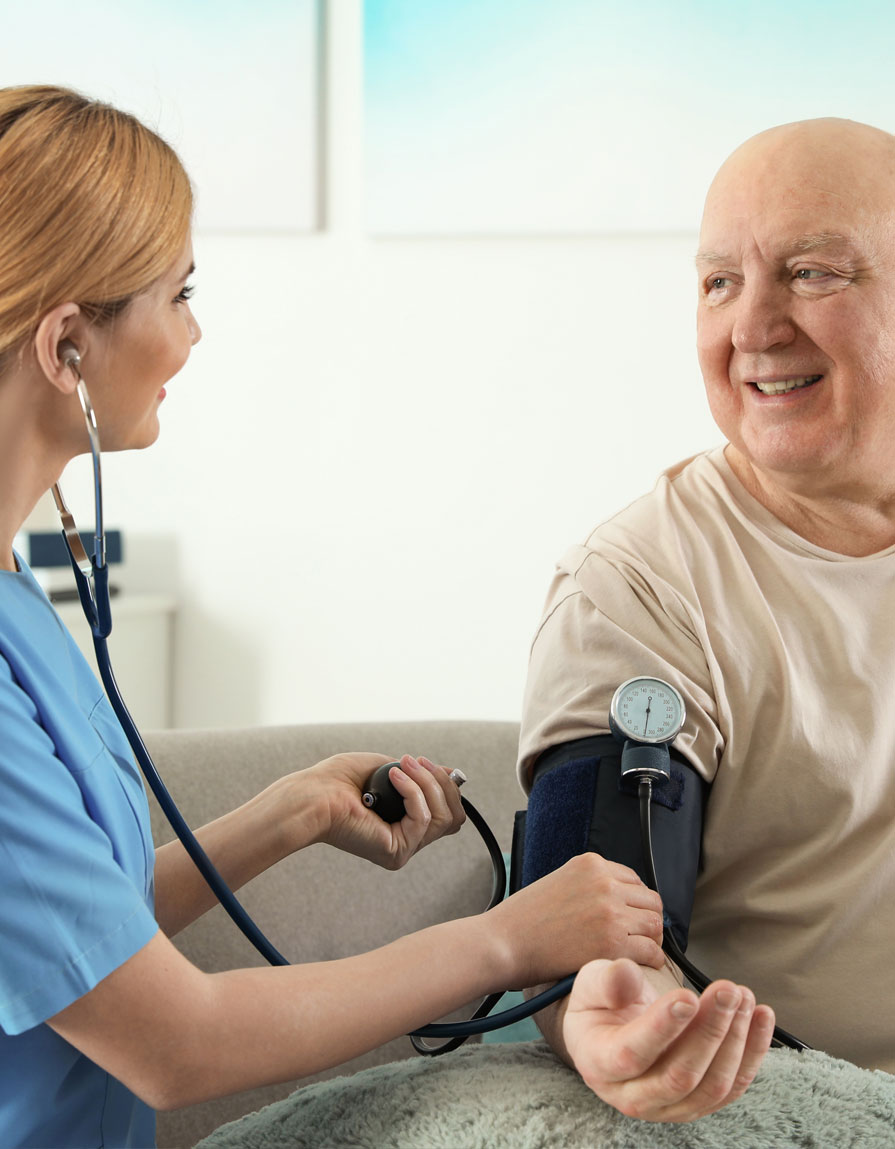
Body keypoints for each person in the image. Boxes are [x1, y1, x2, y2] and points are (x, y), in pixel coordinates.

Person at [0, 85, 677, 1149]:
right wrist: (505, 940)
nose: (194, 332)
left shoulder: (17, 602)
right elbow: (175, 1044)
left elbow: (72, 939)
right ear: (65, 349)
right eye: (177, 295)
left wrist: (291, 814)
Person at [518, 115, 895, 1120]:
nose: (752, 328)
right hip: (787, 1104)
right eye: (719, 282)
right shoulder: (637, 585)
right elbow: (595, 916)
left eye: (811, 273)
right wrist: (614, 1011)